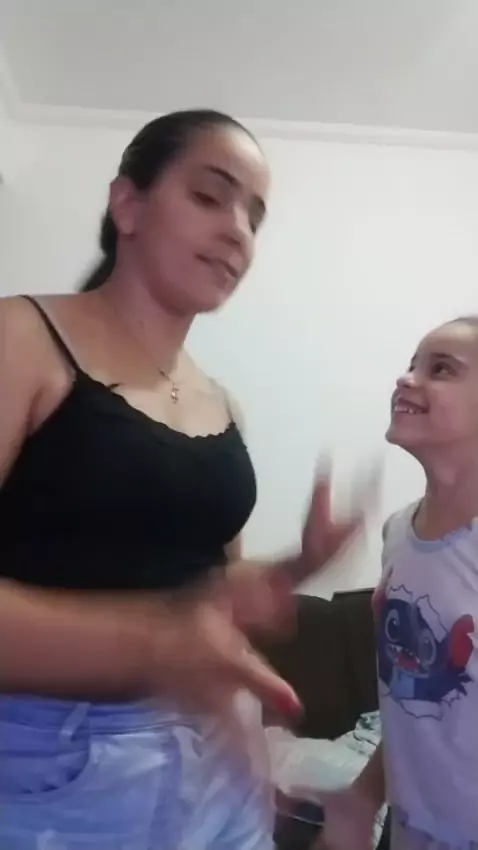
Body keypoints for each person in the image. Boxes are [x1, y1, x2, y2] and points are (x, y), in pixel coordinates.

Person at [0, 109, 363, 850]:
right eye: (209, 196)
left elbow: (205, 597)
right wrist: (155, 645)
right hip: (53, 768)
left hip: (215, 757)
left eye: (254, 217)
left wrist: (288, 572)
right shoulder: (23, 337)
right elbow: (171, 631)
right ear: (127, 204)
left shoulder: (221, 404)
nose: (239, 233)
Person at [319, 314, 478, 850]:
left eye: (441, 369)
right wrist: (364, 797)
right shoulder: (398, 533)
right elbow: (415, 705)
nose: (406, 379)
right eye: (412, 365)